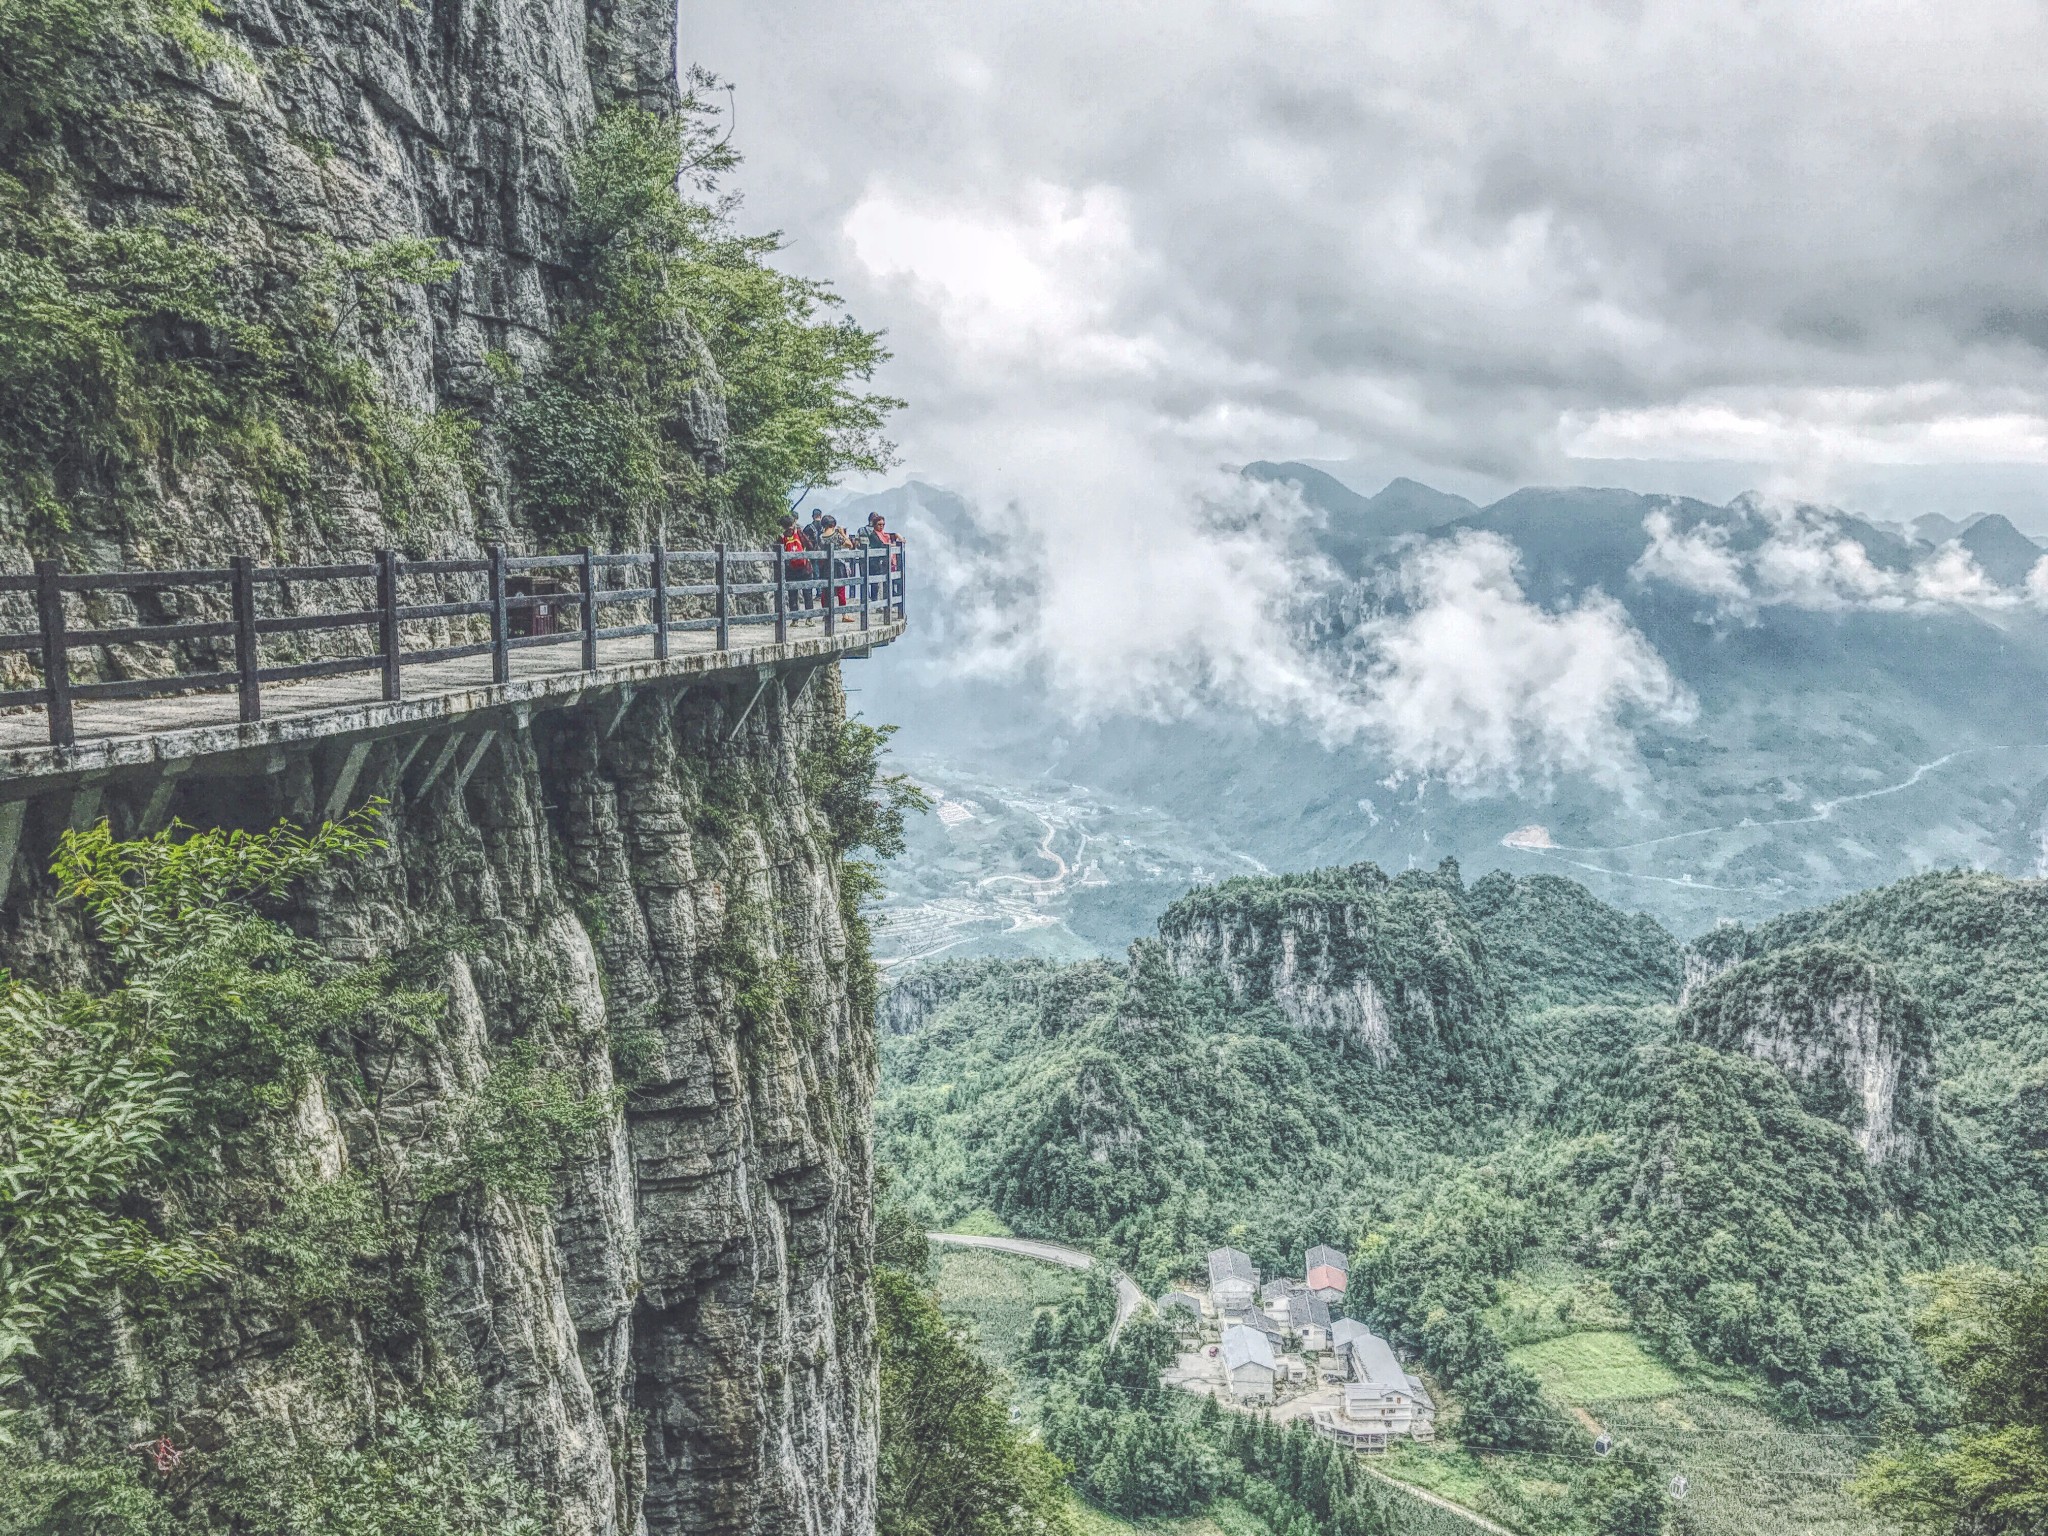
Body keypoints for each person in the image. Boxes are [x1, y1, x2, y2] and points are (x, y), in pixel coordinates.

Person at [864, 511, 901, 604]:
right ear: (874, 525)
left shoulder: (884, 534)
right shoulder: (873, 535)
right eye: (879, 524)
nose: (882, 526)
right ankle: (876, 603)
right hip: (875, 562)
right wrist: (892, 545)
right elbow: (881, 544)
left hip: (883, 563)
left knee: (884, 582)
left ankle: (884, 603)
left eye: (883, 524)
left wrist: (897, 536)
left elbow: (890, 537)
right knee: (876, 583)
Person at [779, 512, 812, 611]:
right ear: (793, 523)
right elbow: (810, 546)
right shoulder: (799, 533)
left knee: (792, 594)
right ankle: (809, 618)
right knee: (807, 592)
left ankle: (795, 619)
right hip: (804, 568)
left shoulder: (782, 537)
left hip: (790, 569)